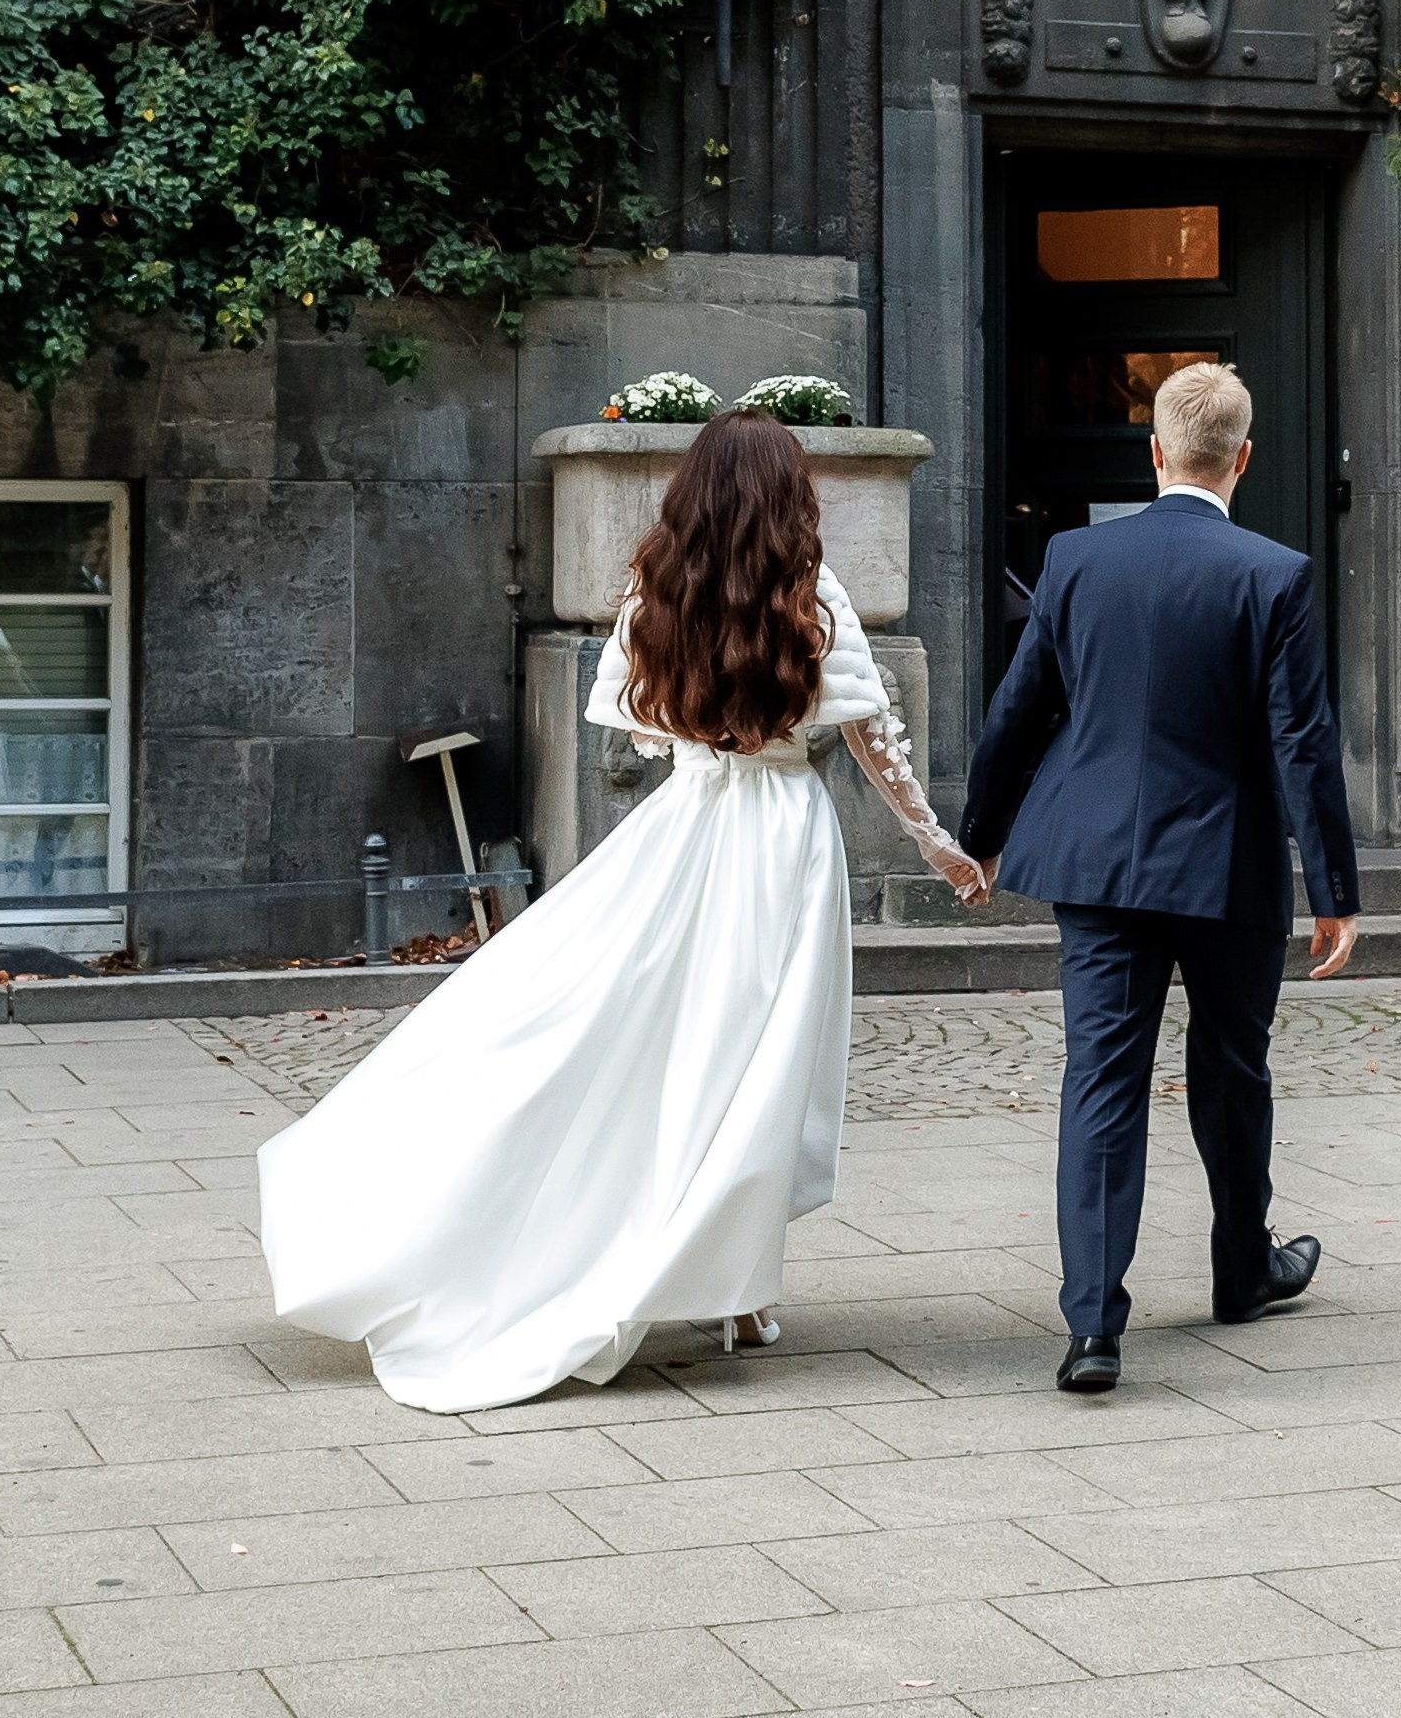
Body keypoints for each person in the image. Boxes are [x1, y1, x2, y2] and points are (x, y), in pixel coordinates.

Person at [259, 408, 988, 1410]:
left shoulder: (658, 587)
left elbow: (638, 734)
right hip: (781, 838)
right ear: (791, 494)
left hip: (684, 829)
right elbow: (873, 740)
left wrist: (703, 739)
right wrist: (934, 843)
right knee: (755, 1061)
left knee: (639, 1031)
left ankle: (687, 1265)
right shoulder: (811, 593)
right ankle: (731, 1292)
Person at [958, 359, 1360, 1394]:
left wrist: (983, 835)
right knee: (1234, 1068)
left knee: (1101, 1079)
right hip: (1224, 863)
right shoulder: (1273, 574)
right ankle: (1241, 1272)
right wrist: (1335, 889)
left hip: (1094, 861)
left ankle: (1093, 1326)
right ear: (1244, 458)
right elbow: (1301, 744)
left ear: (1155, 453)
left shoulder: (1075, 560)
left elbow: (1020, 710)